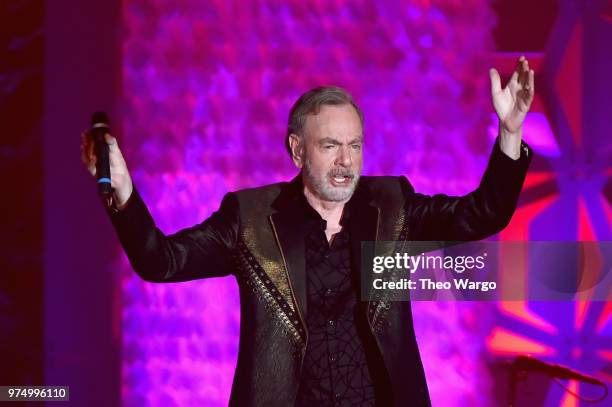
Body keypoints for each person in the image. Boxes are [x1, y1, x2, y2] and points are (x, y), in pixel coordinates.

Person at [81, 57, 535, 407]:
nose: (346, 162)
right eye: (331, 146)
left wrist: (510, 132)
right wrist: (123, 193)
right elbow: (161, 261)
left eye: (355, 146)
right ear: (297, 150)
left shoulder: (392, 206)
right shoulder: (252, 219)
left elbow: (483, 215)